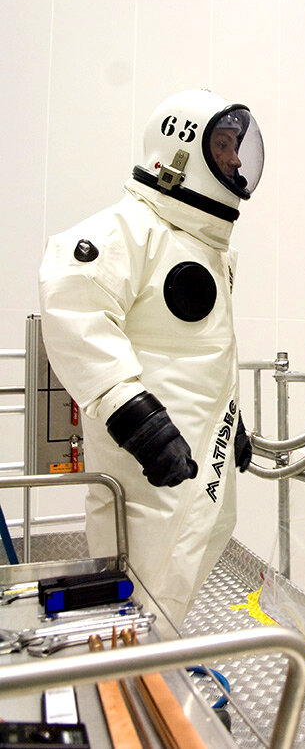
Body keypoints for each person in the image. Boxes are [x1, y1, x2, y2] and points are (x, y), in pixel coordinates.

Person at [39, 89, 262, 625]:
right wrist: (136, 418)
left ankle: (158, 666)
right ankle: (135, 678)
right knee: (143, 570)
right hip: (146, 462)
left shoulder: (208, 246)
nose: (235, 159)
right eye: (224, 144)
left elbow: (202, 358)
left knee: (190, 556)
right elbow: (76, 304)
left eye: (236, 146)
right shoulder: (132, 228)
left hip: (196, 454)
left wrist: (230, 426)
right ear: (180, 150)